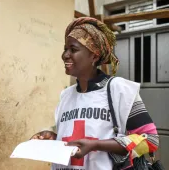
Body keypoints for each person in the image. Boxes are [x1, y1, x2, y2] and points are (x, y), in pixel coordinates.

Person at [31, 17, 159, 170]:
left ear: (94, 56)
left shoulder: (118, 90)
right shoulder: (65, 96)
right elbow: (70, 139)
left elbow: (150, 141)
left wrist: (96, 145)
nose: (65, 55)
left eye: (73, 49)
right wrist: (52, 137)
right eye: (65, 49)